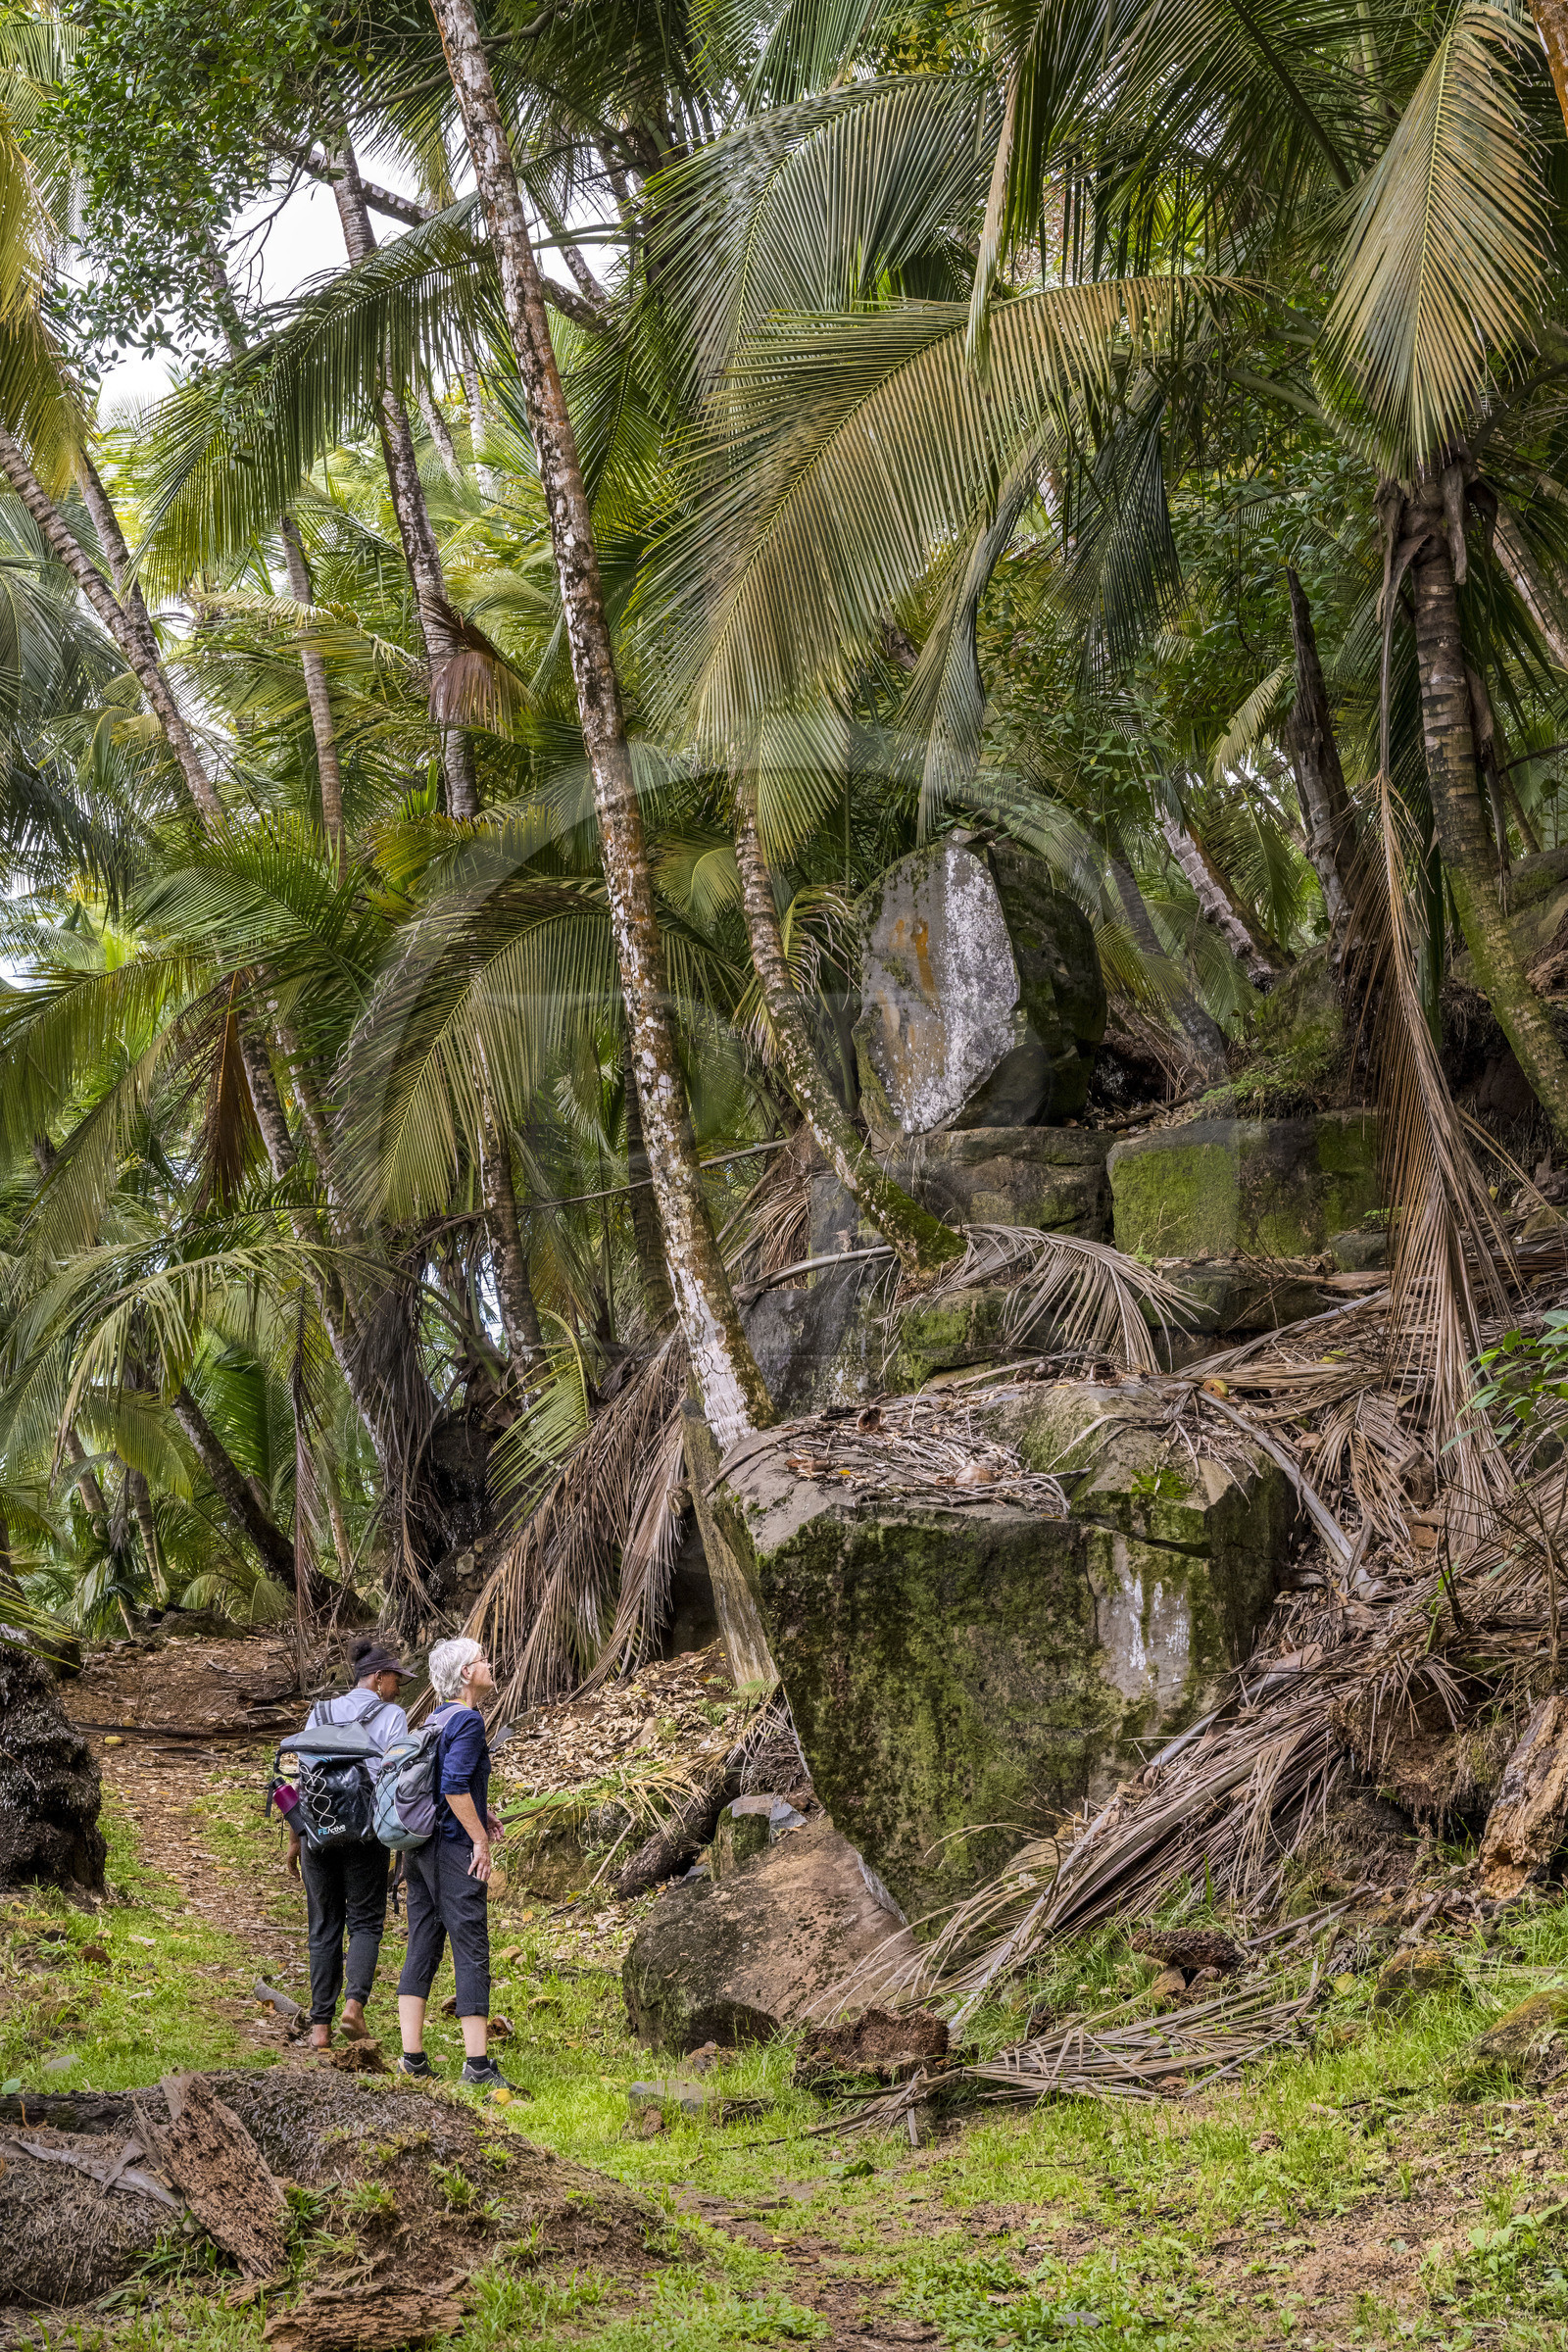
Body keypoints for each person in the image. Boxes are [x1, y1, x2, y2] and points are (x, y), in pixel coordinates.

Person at [285, 1637, 414, 2049]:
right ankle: (353, 2008)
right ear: (377, 1678)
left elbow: (303, 1779)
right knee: (364, 1922)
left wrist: (295, 1839)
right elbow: (397, 1776)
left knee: (323, 1924)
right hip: (366, 1831)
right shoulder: (392, 1715)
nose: (399, 1687)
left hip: (318, 1830)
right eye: (395, 1678)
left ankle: (320, 2028)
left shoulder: (320, 1711)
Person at [396, 1635, 512, 2089]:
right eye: (483, 1659)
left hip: (419, 1847)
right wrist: (479, 1840)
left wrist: (481, 1810)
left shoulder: (438, 1716)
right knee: (470, 1944)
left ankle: (412, 2057)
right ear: (467, 1673)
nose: (490, 1663)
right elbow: (452, 1787)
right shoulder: (468, 1721)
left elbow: (447, 1784)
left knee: (423, 1939)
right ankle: (478, 2065)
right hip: (451, 1849)